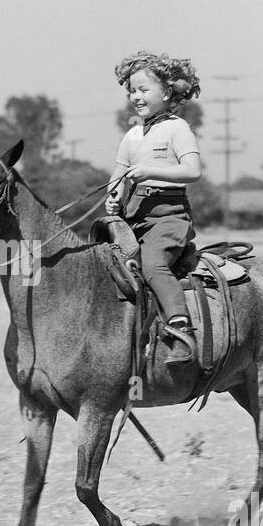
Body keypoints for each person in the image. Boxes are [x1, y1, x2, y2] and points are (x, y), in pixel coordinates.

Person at [105, 51, 203, 365]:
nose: (136, 96)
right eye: (131, 90)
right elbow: (118, 176)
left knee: (154, 265)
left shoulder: (178, 129)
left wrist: (150, 171)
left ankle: (179, 329)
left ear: (167, 92)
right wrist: (113, 195)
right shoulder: (132, 135)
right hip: (133, 217)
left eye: (143, 89)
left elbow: (192, 171)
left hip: (169, 217)